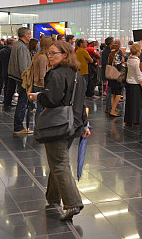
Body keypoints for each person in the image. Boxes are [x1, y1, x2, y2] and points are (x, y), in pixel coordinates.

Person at [28, 41, 90, 221]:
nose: (50, 56)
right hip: (73, 124)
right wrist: (84, 125)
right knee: (57, 159)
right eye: (49, 53)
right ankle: (53, 196)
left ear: (65, 55)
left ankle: (73, 203)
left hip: (58, 125)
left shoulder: (55, 74)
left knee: (59, 163)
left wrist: (38, 96)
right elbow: (80, 102)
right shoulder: (77, 75)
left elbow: (52, 99)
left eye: (54, 53)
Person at [9, 27, 33, 135]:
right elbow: (24, 67)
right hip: (22, 79)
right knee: (22, 103)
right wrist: (27, 79)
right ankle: (18, 127)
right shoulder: (22, 47)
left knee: (22, 102)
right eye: (29, 34)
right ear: (25, 35)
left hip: (16, 77)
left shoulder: (17, 45)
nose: (30, 36)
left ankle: (18, 126)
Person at [29, 36, 52, 124]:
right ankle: (39, 126)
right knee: (40, 108)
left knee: (40, 108)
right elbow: (42, 74)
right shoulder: (42, 57)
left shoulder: (39, 55)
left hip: (38, 85)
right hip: (40, 85)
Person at [125, 43, 142, 127]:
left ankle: (128, 119)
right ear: (138, 52)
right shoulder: (137, 62)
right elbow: (139, 75)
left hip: (129, 83)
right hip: (135, 84)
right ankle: (135, 120)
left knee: (129, 103)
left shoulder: (129, 59)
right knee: (136, 103)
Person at [107, 40, 125, 117]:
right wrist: (123, 64)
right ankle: (113, 110)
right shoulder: (117, 56)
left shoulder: (110, 55)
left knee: (112, 94)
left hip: (111, 77)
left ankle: (112, 109)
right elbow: (119, 66)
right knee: (118, 94)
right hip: (117, 77)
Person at [0, 38, 15, 107]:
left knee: (5, 87)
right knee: (11, 88)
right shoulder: (13, 52)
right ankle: (8, 101)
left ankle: (6, 101)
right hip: (11, 72)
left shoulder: (1, 52)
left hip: (3, 71)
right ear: (12, 44)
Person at [101, 37, 113, 113]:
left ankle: (109, 107)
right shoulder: (109, 51)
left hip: (106, 71)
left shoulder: (105, 51)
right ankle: (109, 107)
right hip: (109, 72)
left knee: (109, 90)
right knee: (110, 90)